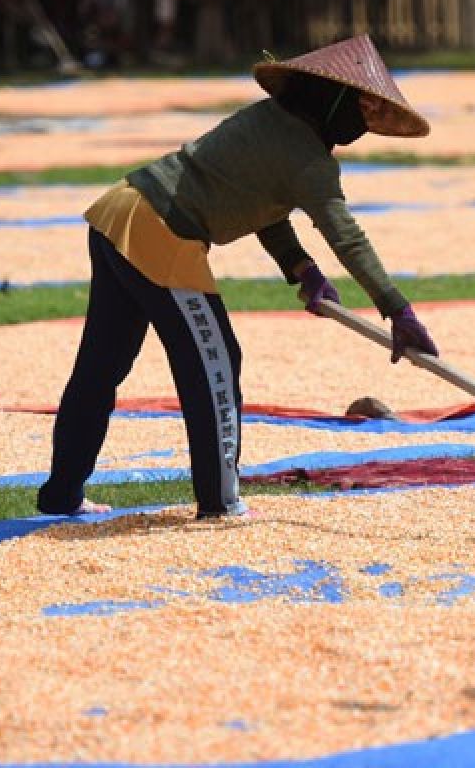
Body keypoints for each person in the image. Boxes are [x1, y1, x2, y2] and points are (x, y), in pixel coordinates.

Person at [38, 34, 439, 519]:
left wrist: (301, 269)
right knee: (216, 365)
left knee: (99, 369)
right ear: (334, 98)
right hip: (161, 235)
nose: (365, 124)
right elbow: (346, 238)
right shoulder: (311, 161)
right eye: (364, 109)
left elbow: (262, 206)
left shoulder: (265, 118)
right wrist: (396, 308)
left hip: (118, 212)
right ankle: (220, 502)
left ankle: (62, 496)